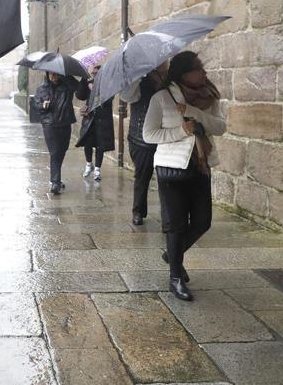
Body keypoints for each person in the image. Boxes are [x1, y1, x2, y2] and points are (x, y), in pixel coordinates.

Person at [142, 51, 225, 301]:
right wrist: (181, 131)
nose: (204, 73)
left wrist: (193, 111)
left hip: (200, 164)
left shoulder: (210, 97)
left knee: (203, 221)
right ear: (184, 73)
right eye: (198, 68)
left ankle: (172, 255)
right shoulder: (161, 98)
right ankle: (175, 277)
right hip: (171, 167)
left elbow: (220, 127)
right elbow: (149, 135)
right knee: (176, 224)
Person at [121, 62, 168, 226]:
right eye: (162, 63)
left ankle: (167, 216)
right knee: (142, 177)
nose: (164, 65)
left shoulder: (169, 82)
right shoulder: (140, 82)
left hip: (164, 137)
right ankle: (138, 211)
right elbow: (126, 96)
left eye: (166, 63)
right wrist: (139, 74)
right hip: (141, 139)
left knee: (166, 178)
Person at [35, 71, 86, 194]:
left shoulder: (67, 85)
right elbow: (36, 105)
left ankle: (56, 178)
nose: (54, 77)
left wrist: (81, 78)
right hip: (49, 124)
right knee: (55, 152)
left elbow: (82, 94)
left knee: (62, 150)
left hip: (65, 122)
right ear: (47, 74)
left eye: (56, 74)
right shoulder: (42, 88)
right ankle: (55, 182)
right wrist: (43, 105)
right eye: (51, 74)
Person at [76, 62, 114, 182]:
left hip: (103, 119)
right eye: (92, 73)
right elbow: (80, 95)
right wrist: (84, 79)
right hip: (89, 118)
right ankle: (88, 164)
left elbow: (109, 100)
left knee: (100, 144)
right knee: (87, 142)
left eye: (96, 73)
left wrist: (96, 90)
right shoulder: (87, 82)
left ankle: (97, 168)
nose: (94, 75)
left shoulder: (107, 84)